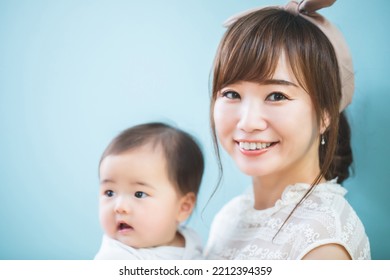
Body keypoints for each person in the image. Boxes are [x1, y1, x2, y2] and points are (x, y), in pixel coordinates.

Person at [205, 0, 370, 260]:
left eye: (276, 96)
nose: (248, 122)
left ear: (326, 113)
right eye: (232, 93)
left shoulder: (322, 242)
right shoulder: (230, 217)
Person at [94, 122, 204, 259]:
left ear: (183, 207)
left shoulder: (190, 240)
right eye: (109, 193)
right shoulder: (116, 257)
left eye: (139, 194)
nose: (120, 207)